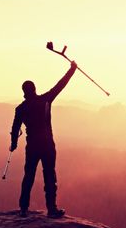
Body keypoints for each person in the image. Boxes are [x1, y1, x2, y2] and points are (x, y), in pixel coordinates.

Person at [9, 61, 77, 218]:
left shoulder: (20, 109)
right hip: (47, 144)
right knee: (49, 176)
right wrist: (72, 70)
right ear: (34, 89)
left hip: (32, 146)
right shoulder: (45, 100)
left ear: (24, 91)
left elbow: (15, 128)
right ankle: (51, 209)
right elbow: (61, 85)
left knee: (29, 176)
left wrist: (13, 144)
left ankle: (23, 209)